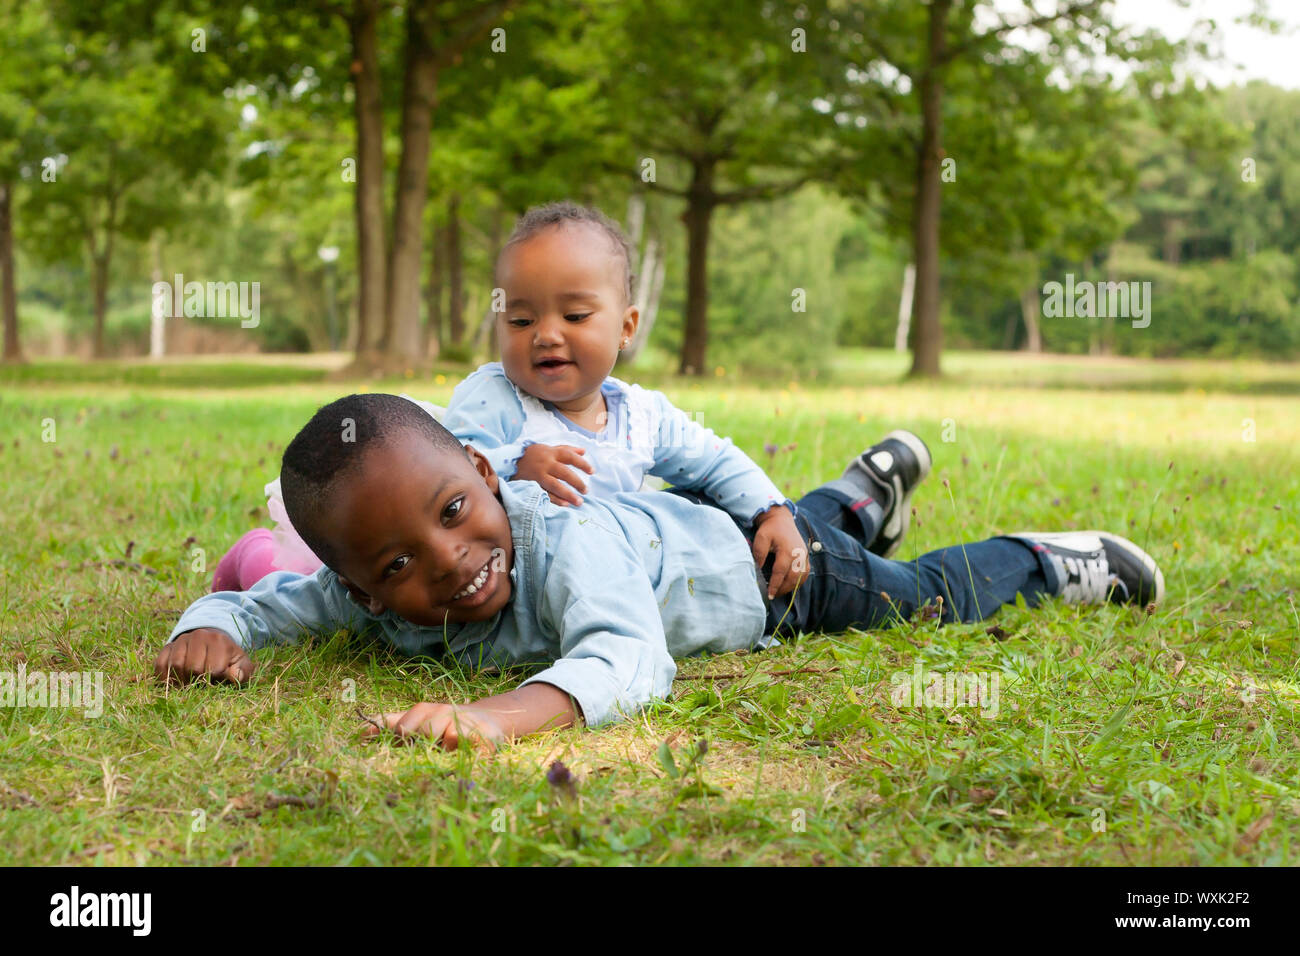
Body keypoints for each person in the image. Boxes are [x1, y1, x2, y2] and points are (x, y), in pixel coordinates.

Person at [155, 393, 1165, 752]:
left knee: (916, 602)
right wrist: (206, 625)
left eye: (456, 511)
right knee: (814, 522)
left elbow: (632, 656)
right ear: (363, 589)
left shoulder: (561, 540)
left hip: (769, 589)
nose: (453, 561)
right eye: (398, 564)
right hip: (700, 536)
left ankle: (1041, 559)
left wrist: (497, 717)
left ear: (483, 471)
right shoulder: (355, 593)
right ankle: (860, 493)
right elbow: (264, 599)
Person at [212, 200, 920, 597]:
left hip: (636, 557)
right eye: (521, 320)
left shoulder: (641, 414)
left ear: (626, 327)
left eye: (574, 317)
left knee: (765, 534)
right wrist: (518, 467)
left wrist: (772, 508)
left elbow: (716, 461)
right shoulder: (491, 396)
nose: (545, 336)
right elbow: (456, 475)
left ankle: (854, 503)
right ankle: (862, 500)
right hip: (536, 582)